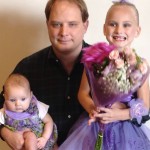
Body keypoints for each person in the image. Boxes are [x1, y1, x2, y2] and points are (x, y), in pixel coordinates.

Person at [59, 1, 150, 150]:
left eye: (126, 25)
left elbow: (145, 106)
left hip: (126, 131)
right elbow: (82, 93)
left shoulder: (140, 65)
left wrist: (119, 114)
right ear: (104, 28)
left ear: (137, 31)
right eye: (113, 24)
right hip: (94, 126)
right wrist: (93, 108)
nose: (119, 30)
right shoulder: (93, 61)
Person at [0, 0, 89, 149]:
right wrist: (6, 134)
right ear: (47, 24)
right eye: (56, 24)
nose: (64, 32)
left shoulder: (105, 64)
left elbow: (140, 112)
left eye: (72, 24)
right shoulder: (27, 68)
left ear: (85, 25)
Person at [0, 73, 57, 150]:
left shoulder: (36, 107)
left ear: (30, 95)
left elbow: (49, 121)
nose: (18, 104)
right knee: (29, 136)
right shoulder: (4, 112)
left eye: (23, 99)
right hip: (21, 143)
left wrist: (44, 138)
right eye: (12, 100)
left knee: (30, 136)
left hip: (41, 141)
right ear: (5, 97)